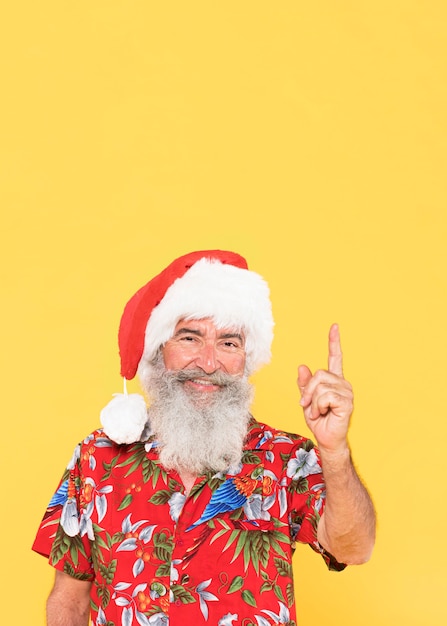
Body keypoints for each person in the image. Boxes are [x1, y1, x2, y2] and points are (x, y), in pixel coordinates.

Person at [33, 249, 375, 626]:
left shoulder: (286, 460)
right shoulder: (97, 457)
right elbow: (70, 602)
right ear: (158, 349)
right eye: (190, 338)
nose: (209, 363)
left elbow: (354, 547)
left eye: (229, 343)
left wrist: (334, 450)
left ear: (246, 358)